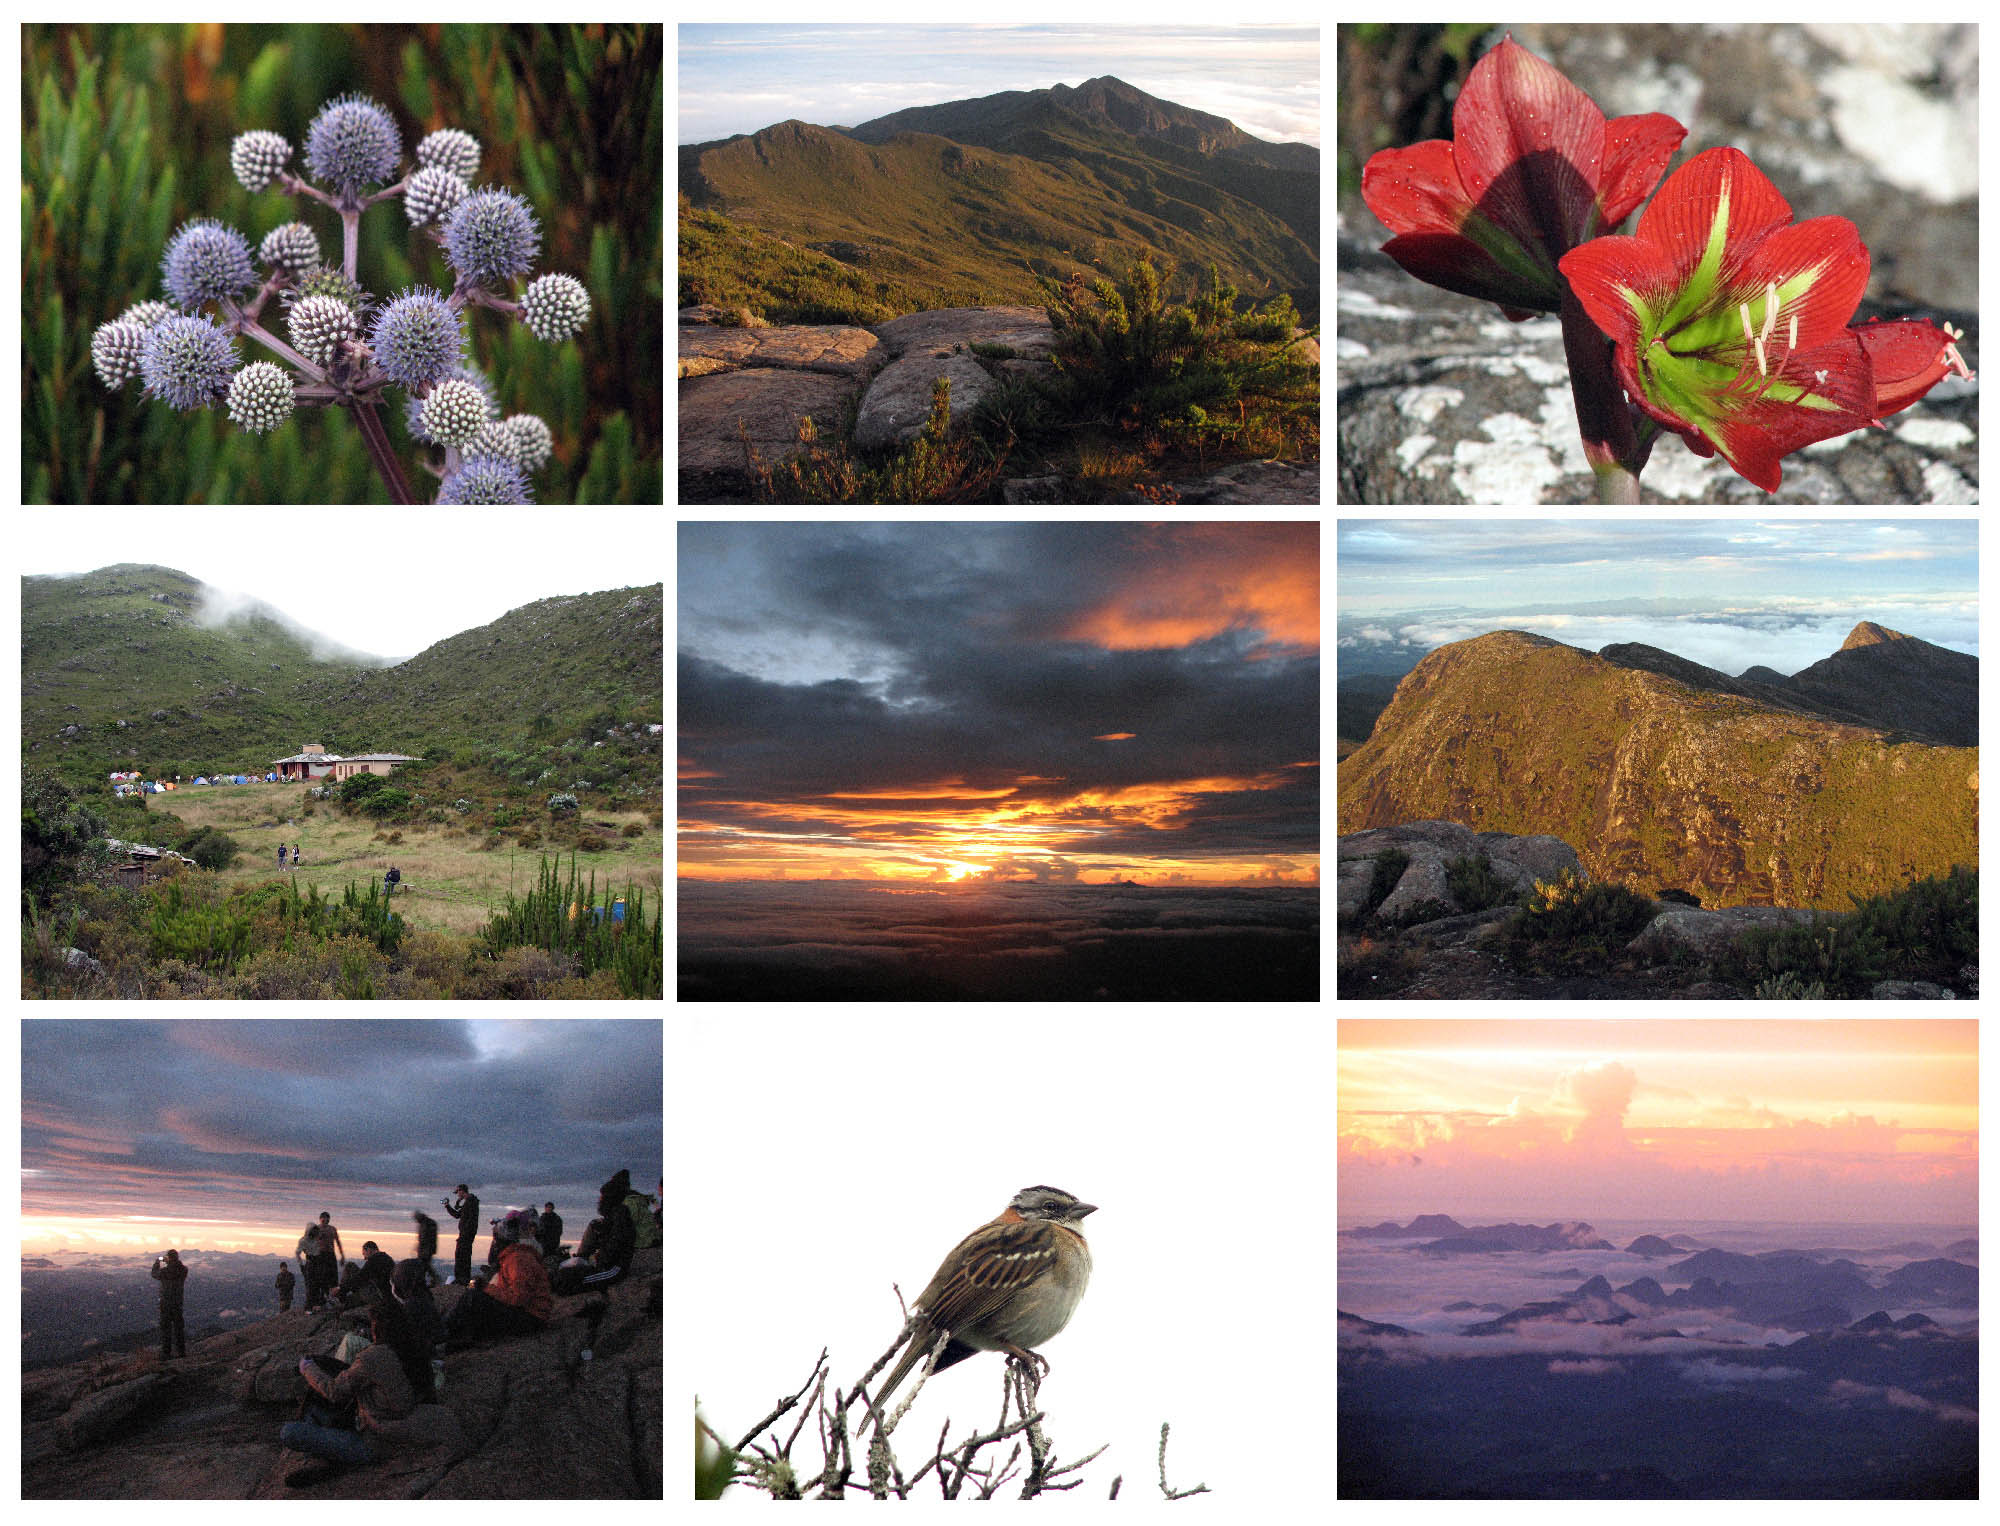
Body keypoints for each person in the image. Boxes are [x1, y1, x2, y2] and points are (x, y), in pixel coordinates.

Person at [278, 1303, 419, 1481]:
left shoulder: (375, 1356)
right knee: (315, 1412)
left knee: (289, 1432)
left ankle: (328, 1459)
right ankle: (327, 1454)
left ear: (377, 1329)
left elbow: (334, 1391)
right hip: (387, 1425)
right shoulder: (407, 1350)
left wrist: (307, 1367)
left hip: (372, 1442)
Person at [444, 1210, 552, 1349]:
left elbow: (518, 1299)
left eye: (495, 1239)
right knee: (476, 1299)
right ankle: (453, 1334)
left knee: (473, 1298)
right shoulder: (513, 1256)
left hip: (532, 1319)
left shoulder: (517, 1259)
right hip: (529, 1315)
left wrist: (485, 1287)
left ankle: (442, 1334)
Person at [552, 1169, 638, 1295]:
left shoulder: (621, 1217)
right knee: (565, 1275)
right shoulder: (613, 1216)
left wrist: (599, 1260)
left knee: (571, 1280)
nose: (599, 1200)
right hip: (605, 1265)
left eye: (602, 1196)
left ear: (609, 1198)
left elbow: (616, 1246)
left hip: (614, 1269)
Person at [336, 1241, 397, 1308]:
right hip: (384, 1294)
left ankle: (341, 1296)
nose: (365, 1258)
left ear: (369, 1250)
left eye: (364, 1254)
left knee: (350, 1266)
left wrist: (341, 1288)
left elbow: (360, 1277)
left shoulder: (374, 1260)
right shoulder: (387, 1258)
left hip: (377, 1295)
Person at [152, 1248, 188, 1359]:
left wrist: (159, 1261)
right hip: (177, 1302)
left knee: (166, 1328)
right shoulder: (183, 1269)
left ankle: (166, 1352)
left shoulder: (165, 1270)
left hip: (165, 1302)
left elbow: (155, 1274)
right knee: (178, 1328)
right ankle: (181, 1352)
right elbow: (178, 1268)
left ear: (169, 1258)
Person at [444, 1184, 480, 1284]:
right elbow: (457, 1215)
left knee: (462, 1255)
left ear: (461, 1191)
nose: (457, 1195)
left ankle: (462, 1279)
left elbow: (471, 1219)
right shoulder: (469, 1202)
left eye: (458, 1192)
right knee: (462, 1255)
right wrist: (447, 1206)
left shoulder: (471, 1201)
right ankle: (461, 1278)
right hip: (465, 1233)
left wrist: (466, 1232)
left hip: (466, 1234)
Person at [313, 1212, 344, 1306]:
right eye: (323, 1218)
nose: (325, 1220)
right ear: (320, 1219)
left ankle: (334, 1297)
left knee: (333, 1276)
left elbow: (338, 1242)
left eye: (327, 1219)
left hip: (330, 1255)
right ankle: (322, 1299)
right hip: (320, 1255)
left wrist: (342, 1255)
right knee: (321, 1277)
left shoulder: (332, 1229)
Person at [295, 1224, 325, 1310]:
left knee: (319, 1283)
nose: (315, 1233)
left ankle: (317, 1304)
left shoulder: (317, 1239)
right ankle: (309, 1306)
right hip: (310, 1262)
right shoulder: (303, 1241)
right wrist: (301, 1265)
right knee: (310, 1285)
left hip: (318, 1262)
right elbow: (298, 1253)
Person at [412, 1209, 439, 1284]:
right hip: (425, 1248)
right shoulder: (424, 1223)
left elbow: (427, 1237)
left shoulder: (428, 1223)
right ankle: (432, 1279)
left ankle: (432, 1279)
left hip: (427, 1249)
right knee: (425, 1265)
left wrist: (421, 1246)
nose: (416, 1221)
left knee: (424, 1265)